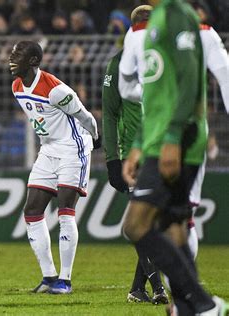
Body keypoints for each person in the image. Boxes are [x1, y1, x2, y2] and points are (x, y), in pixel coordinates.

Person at [121, 0, 226, 314]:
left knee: (136, 226)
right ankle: (187, 306)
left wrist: (170, 138)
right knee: (174, 226)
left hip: (176, 140)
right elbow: (154, 94)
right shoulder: (156, 22)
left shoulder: (179, 16)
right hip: (156, 140)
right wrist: (139, 142)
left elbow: (189, 81)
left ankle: (204, 303)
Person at [9, 41, 99, 294]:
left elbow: (85, 116)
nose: (11, 58)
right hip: (48, 150)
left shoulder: (55, 89)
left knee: (65, 210)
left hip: (73, 148)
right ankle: (48, 276)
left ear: (34, 61)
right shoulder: (17, 86)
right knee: (32, 210)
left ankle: (65, 280)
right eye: (12, 53)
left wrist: (95, 136)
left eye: (18, 54)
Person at [104, 5, 168, 305]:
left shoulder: (164, 60)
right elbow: (109, 112)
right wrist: (112, 160)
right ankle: (158, 288)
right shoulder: (118, 64)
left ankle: (137, 289)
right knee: (143, 222)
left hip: (165, 151)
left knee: (156, 222)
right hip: (134, 156)